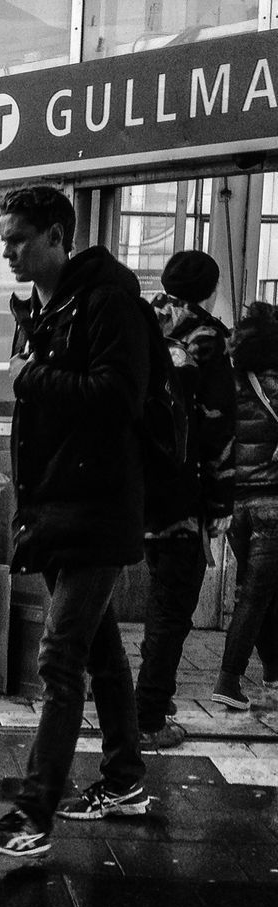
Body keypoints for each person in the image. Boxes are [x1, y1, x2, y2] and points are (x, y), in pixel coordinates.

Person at [0, 186, 150, 858]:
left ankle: (31, 815)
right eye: (4, 240)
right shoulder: (41, 309)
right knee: (100, 655)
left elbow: (118, 396)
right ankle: (124, 781)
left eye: (18, 238)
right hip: (53, 511)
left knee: (59, 657)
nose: (7, 252)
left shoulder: (106, 302)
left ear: (54, 235)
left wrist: (30, 379)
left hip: (97, 510)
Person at [136, 251, 236, 749]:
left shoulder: (139, 325)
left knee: (160, 594)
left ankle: (153, 695)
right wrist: (219, 509)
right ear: (210, 290)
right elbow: (218, 432)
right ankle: (149, 715)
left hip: (137, 493)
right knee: (172, 608)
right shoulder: (207, 341)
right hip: (183, 497)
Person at [211, 300, 278, 711]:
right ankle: (228, 680)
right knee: (254, 596)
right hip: (273, 505)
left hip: (236, 507)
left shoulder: (230, 384)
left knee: (264, 592)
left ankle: (272, 669)